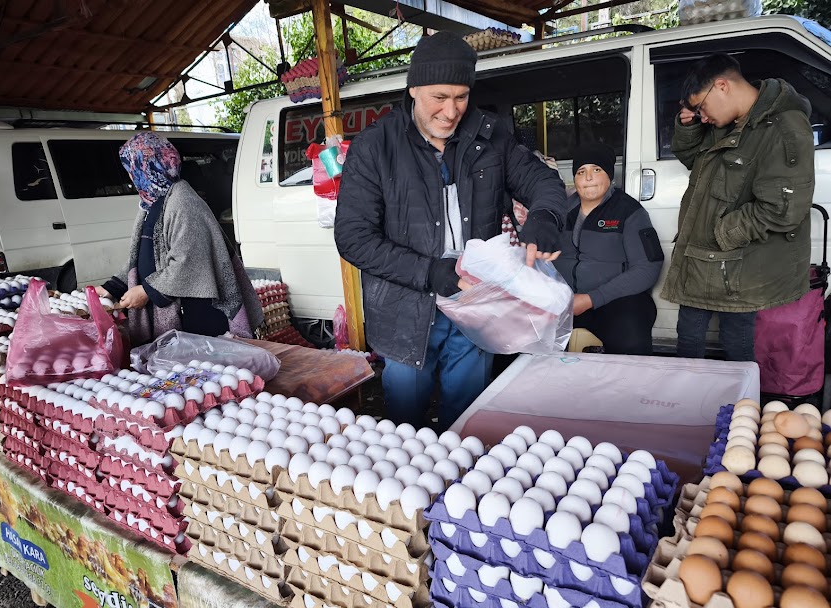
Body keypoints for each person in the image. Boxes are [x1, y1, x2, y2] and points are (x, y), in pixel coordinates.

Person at [334, 31, 567, 432]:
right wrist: (429, 272)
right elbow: (354, 236)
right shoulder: (376, 147)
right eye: (439, 98)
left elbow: (540, 180)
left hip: (476, 301)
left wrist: (546, 216)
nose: (451, 110)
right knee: (406, 420)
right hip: (406, 307)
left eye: (460, 97)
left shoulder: (489, 138)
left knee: (467, 416)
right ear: (413, 89)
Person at [660, 53, 815, 361]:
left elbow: (782, 208)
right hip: (701, 254)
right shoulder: (727, 122)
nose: (703, 116)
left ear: (722, 86)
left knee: (736, 341)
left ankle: (737, 407)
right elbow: (696, 161)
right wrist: (687, 124)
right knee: (689, 337)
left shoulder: (784, 129)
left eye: (702, 106)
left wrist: (723, 232)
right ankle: (688, 405)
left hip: (737, 262)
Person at [98, 132, 263, 346]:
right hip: (180, 309)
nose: (130, 177)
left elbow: (189, 262)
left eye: (132, 169)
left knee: (201, 368)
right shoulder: (151, 204)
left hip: (197, 314)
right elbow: (140, 256)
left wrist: (147, 291)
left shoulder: (183, 202)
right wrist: (113, 286)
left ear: (147, 168)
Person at [554, 142, 664, 355]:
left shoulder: (630, 212)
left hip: (615, 301)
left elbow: (648, 269)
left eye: (596, 170)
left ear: (610, 176)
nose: (588, 178)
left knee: (629, 339)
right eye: (581, 171)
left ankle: (629, 387)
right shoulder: (560, 211)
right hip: (565, 301)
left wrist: (591, 299)